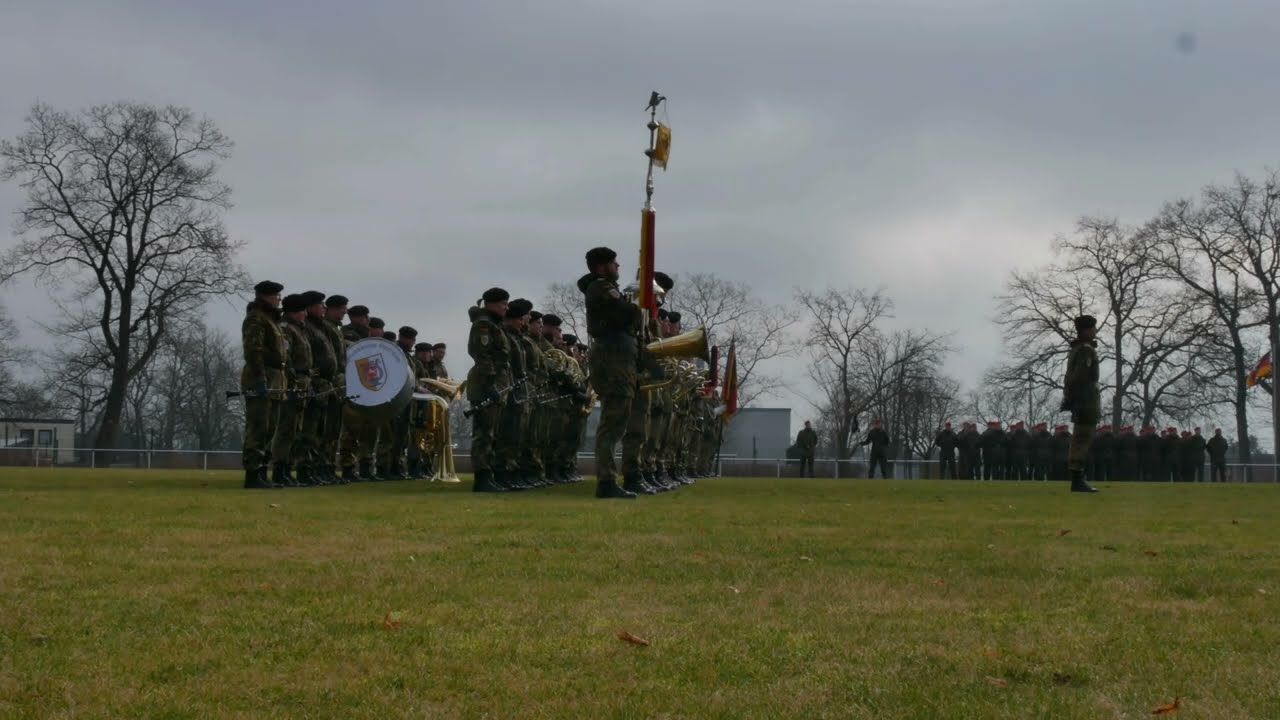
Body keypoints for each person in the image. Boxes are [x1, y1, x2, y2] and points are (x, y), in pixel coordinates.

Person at [579, 246, 643, 499]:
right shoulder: (601, 288)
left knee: (617, 422)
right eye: (614, 263)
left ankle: (608, 479)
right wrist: (637, 306)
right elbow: (626, 313)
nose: (618, 267)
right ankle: (606, 481)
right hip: (612, 358)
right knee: (612, 423)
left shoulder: (604, 287)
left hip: (619, 357)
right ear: (602, 266)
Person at [240, 280, 286, 489]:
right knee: (259, 428)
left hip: (275, 381)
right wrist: (259, 379)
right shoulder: (257, 319)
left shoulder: (271, 320)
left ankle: (262, 472)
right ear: (265, 296)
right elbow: (253, 350)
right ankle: (252, 474)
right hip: (261, 378)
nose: (279, 299)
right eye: (276, 295)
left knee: (270, 429)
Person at [467, 288, 513, 492]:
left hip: (496, 384)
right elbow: (482, 355)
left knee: (492, 433)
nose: (506, 307)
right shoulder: (484, 324)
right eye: (503, 303)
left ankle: (488, 475)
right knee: (484, 433)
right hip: (486, 384)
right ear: (491, 304)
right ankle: (482, 477)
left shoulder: (495, 324)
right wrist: (490, 384)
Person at [270, 293, 312, 487]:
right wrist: (293, 380)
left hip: (301, 384)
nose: (305, 314)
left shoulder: (299, 330)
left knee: (296, 429)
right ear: (295, 312)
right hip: (291, 384)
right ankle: (280, 469)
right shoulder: (287, 330)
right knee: (286, 428)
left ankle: (288, 468)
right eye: (303, 310)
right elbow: (286, 358)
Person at [1060, 314, 1101, 493]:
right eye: (1093, 328)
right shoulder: (1085, 350)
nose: (1095, 331)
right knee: (1082, 439)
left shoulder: (1077, 349)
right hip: (1086, 401)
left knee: (1080, 439)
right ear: (1086, 330)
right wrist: (1078, 399)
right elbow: (1081, 377)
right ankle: (1077, 480)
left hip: (1081, 400)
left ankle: (1078, 479)